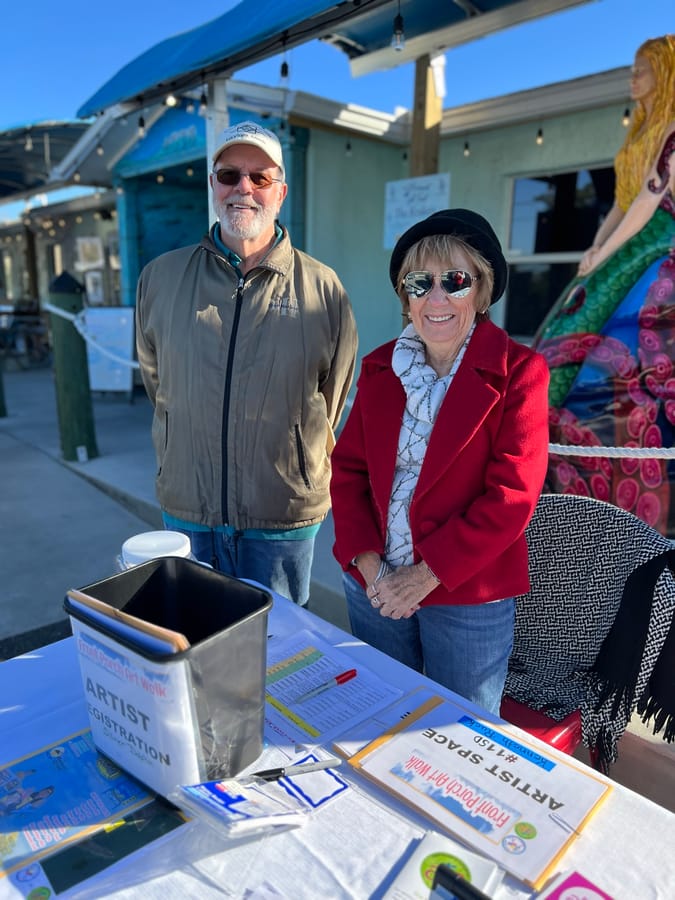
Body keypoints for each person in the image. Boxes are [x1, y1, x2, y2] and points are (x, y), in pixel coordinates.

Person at [330, 209, 550, 714]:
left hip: (466, 592)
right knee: (381, 715)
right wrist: (372, 570)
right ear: (405, 298)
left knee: (460, 732)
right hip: (375, 584)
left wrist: (423, 577)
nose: (436, 297)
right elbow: (348, 474)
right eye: (419, 282)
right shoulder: (380, 367)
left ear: (482, 289)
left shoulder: (521, 373)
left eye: (454, 281)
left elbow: (511, 498)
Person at [136, 121, 358, 605]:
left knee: (280, 654)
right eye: (229, 175)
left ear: (280, 192)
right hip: (188, 507)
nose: (244, 189)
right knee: (192, 646)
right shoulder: (160, 278)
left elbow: (333, 394)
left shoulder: (323, 288)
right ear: (212, 186)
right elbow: (159, 383)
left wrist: (299, 458)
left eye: (259, 178)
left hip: (282, 514)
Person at [533, 35, 675, 534]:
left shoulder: (673, 131)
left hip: (658, 247)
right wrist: (595, 247)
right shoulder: (643, 132)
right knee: (576, 331)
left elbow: (647, 204)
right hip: (633, 240)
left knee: (616, 345)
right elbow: (622, 202)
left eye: (643, 69)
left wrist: (607, 251)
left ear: (666, 72)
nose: (633, 78)